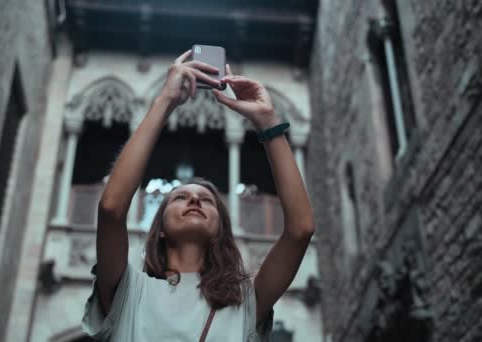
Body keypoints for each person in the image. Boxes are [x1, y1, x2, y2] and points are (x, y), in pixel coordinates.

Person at [82, 50, 315, 341]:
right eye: (179, 197)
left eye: (206, 200)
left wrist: (268, 123)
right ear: (161, 229)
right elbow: (112, 209)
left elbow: (300, 229)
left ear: (221, 228)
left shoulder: (245, 301)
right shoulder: (128, 290)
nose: (194, 200)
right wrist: (165, 100)